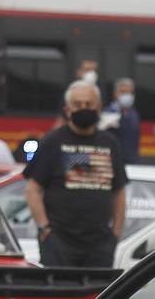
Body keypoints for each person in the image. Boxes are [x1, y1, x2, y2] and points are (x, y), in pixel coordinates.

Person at [24, 80, 127, 267]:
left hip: (100, 245)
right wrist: (45, 229)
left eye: (89, 104)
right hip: (59, 244)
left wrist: (115, 234)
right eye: (77, 105)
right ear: (67, 109)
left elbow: (119, 192)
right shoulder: (52, 141)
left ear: (99, 107)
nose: (84, 108)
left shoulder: (110, 143)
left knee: (101, 297)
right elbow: (33, 189)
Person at [100, 77, 141, 160]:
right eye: (123, 92)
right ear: (115, 94)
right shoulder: (106, 113)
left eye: (130, 92)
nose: (127, 95)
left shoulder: (134, 113)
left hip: (131, 160)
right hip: (112, 160)